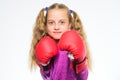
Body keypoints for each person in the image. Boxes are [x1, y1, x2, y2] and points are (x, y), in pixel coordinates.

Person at [29, 3, 92, 80]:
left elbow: (83, 77)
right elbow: (46, 77)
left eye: (62, 22)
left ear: (69, 24)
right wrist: (45, 66)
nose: (56, 27)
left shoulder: (75, 42)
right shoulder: (45, 45)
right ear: (45, 25)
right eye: (51, 23)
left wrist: (80, 62)